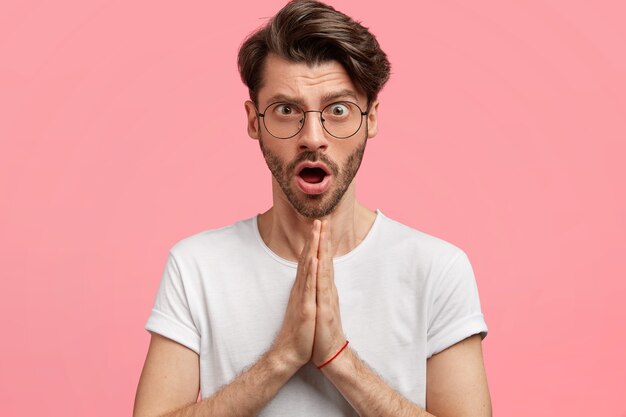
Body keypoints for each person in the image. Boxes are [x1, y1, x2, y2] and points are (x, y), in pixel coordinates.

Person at [133, 1, 491, 416]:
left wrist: (340, 360)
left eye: (338, 110)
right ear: (254, 121)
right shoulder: (196, 267)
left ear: (371, 118)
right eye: (287, 111)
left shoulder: (437, 269)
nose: (313, 137)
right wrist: (281, 357)